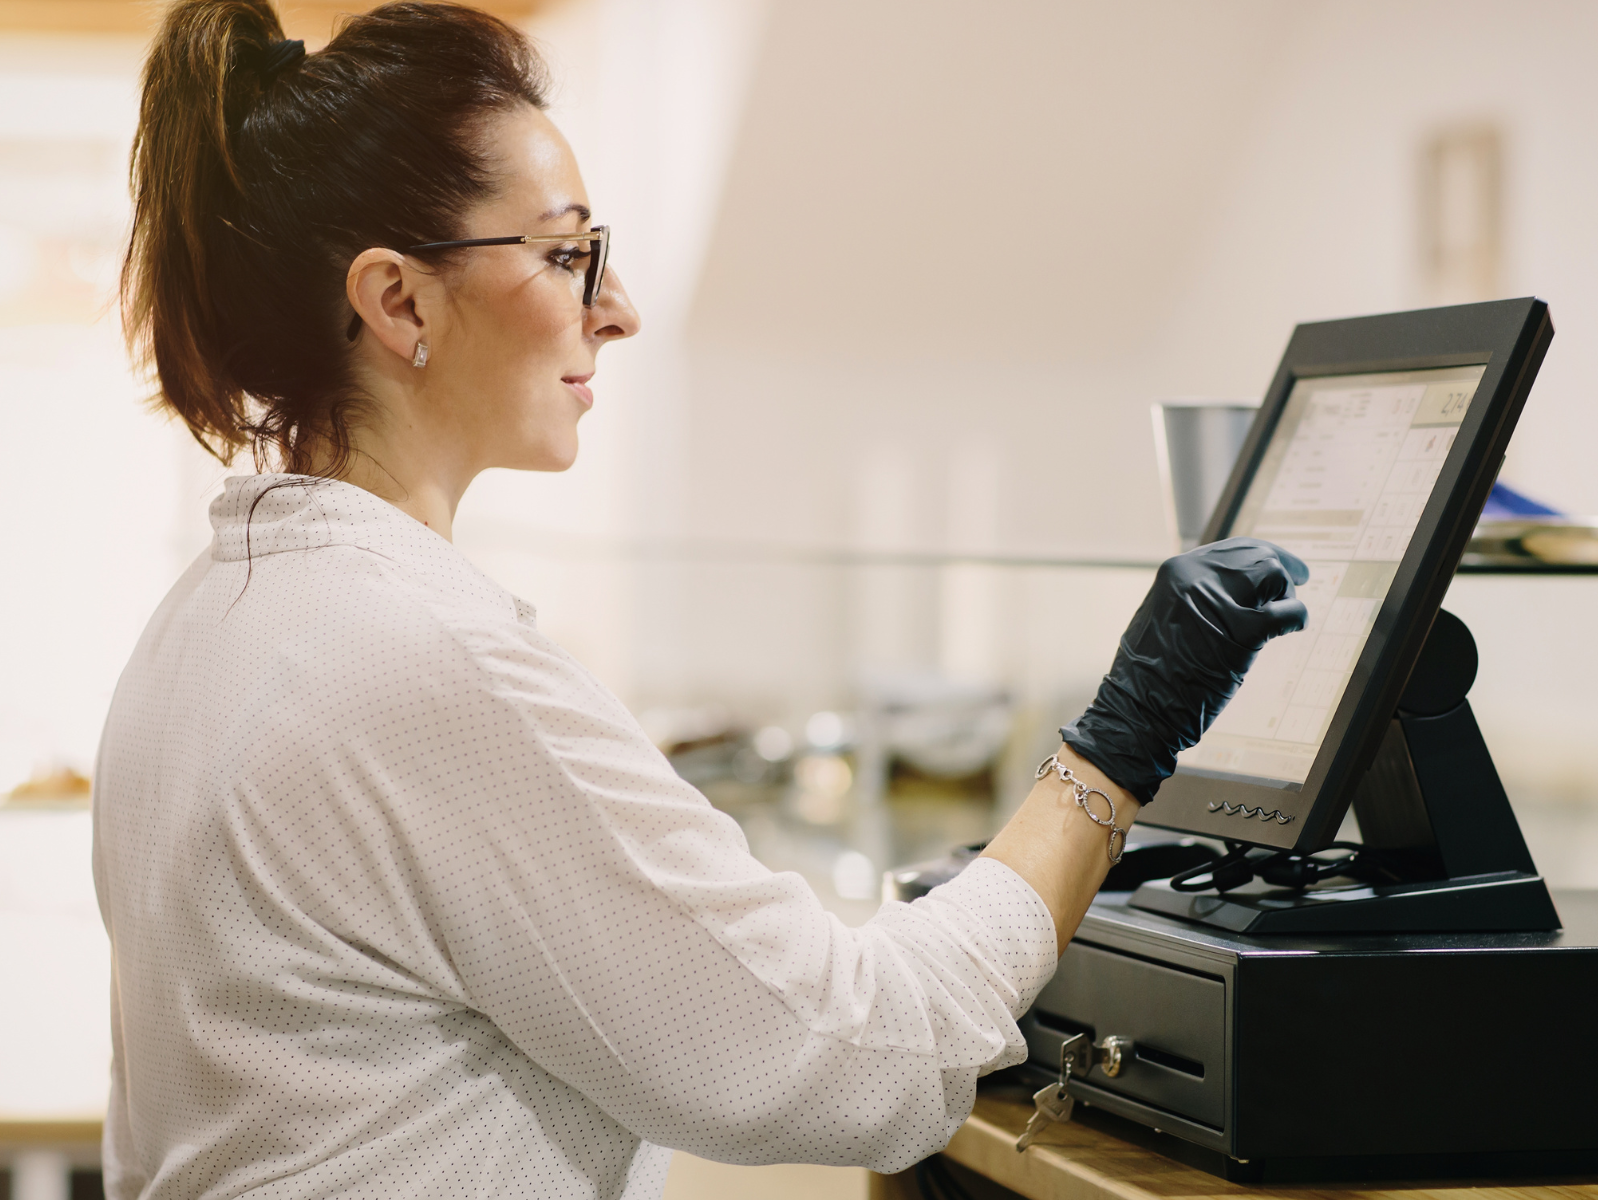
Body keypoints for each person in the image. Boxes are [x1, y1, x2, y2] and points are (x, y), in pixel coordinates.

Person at [94, 2, 1309, 1197]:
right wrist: (1116, 747)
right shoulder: (417, 659)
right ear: (399, 301)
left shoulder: (207, 618)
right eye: (568, 255)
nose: (613, 311)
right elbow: (858, 1055)